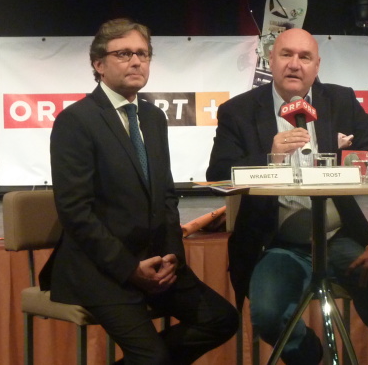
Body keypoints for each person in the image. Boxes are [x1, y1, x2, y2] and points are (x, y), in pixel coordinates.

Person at [40, 18, 238, 364]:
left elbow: (166, 196)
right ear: (98, 65)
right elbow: (75, 211)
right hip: (101, 269)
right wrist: (130, 268)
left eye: (142, 54)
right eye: (123, 54)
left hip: (157, 261)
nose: (136, 61)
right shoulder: (76, 120)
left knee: (222, 320)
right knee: (153, 358)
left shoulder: (153, 117)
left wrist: (172, 256)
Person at [206, 28, 368, 364]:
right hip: (276, 243)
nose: (295, 64)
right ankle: (312, 356)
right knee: (269, 316)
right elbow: (218, 173)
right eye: (286, 55)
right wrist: (269, 157)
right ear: (271, 60)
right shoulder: (238, 111)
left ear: (317, 65)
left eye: (305, 57)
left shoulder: (341, 102)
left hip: (339, 238)